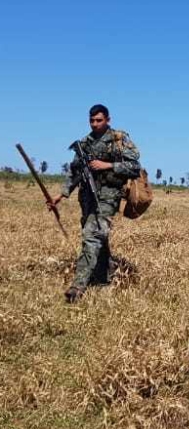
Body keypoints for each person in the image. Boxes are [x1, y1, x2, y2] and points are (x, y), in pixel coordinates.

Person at [49, 104, 141, 303]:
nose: (94, 124)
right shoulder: (84, 144)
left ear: (108, 119)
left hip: (108, 197)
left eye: (99, 120)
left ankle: (78, 286)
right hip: (87, 198)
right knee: (100, 238)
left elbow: (135, 167)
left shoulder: (118, 139)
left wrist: (107, 165)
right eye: (91, 121)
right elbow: (75, 172)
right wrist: (61, 195)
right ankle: (103, 281)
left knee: (92, 236)